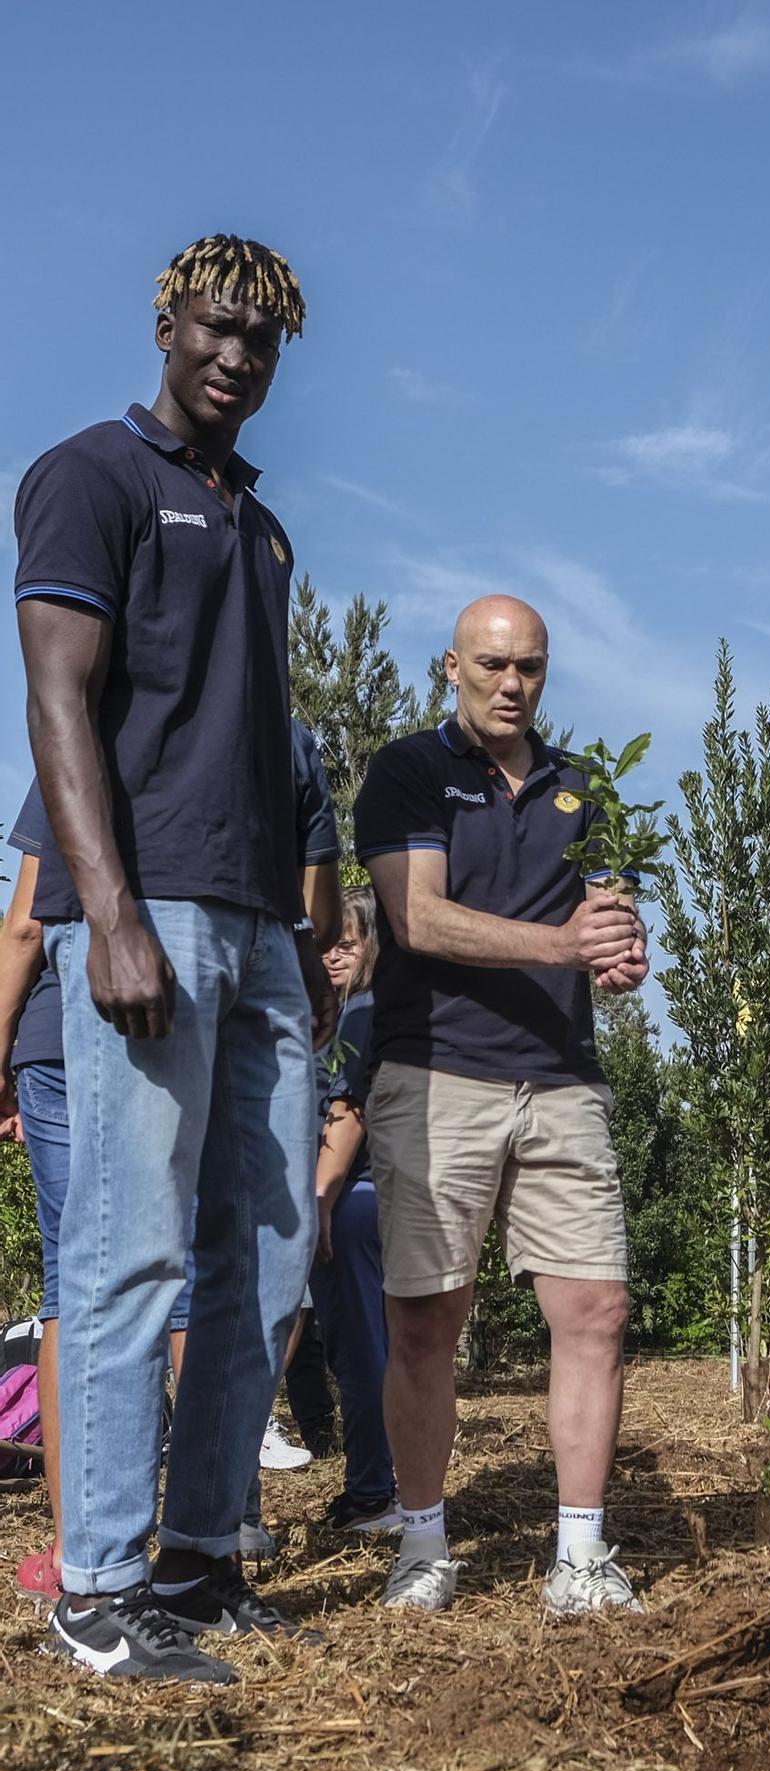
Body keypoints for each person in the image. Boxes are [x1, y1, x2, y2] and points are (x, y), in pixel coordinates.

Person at [14, 234, 336, 1682]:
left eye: (262, 342)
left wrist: (311, 940)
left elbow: (254, 746)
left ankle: (203, 1560)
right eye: (216, 328)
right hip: (152, 911)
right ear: (167, 322)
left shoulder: (260, 528)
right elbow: (59, 700)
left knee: (266, 1258)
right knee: (129, 1248)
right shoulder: (92, 477)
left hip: (265, 931)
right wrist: (114, 911)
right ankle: (99, 1587)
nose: (236, 357)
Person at [353, 594, 648, 1615]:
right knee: (428, 1320)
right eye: (491, 664)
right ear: (450, 667)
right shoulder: (406, 772)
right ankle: (424, 1542)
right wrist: (564, 943)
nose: (511, 683)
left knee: (595, 1309)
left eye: (529, 665)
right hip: (437, 1076)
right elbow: (418, 917)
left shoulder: (582, 787)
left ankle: (578, 1555)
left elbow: (598, 911)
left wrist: (615, 946)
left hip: (563, 1075)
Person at [0, 719, 341, 1596]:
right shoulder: (281, 742)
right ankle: (203, 1523)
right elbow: (320, 911)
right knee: (181, 1267)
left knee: (85, 1278)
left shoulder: (118, 731)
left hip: (68, 1034)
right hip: (160, 1008)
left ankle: (88, 1541)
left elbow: (24, 926)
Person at [308, 886, 400, 1535]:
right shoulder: (340, 1012)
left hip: (349, 1203)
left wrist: (319, 1201)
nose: (337, 954)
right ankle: (370, 1486)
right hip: (352, 1201)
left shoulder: (361, 1014)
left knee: (360, 1347)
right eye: (329, 943)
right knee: (359, 1345)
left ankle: (373, 1492)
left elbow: (348, 1117)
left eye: (350, 942)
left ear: (371, 946)